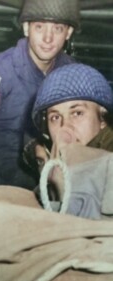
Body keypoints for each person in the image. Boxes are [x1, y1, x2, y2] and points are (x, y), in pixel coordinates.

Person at [0, 0, 78, 189]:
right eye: (39, 27)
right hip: (1, 181)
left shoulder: (72, 72)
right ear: (26, 28)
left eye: (57, 28)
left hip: (53, 182)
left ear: (68, 32)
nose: (48, 38)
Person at [27, 63, 113, 219]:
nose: (65, 127)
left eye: (77, 113)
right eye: (55, 117)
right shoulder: (55, 166)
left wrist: (62, 185)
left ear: (102, 119)